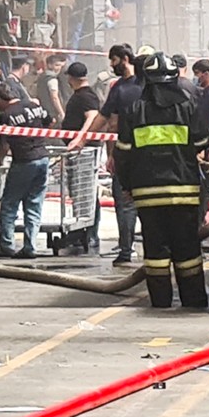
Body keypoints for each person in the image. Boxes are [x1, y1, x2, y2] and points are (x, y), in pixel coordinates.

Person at [114, 52, 209, 308]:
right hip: (184, 191)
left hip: (147, 194)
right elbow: (202, 142)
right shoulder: (188, 105)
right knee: (187, 251)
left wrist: (126, 186)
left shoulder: (135, 109)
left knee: (155, 252)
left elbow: (122, 154)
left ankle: (160, 301)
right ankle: (194, 301)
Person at [71, 43, 141, 265]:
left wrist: (84, 140)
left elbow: (107, 121)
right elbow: (107, 120)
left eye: (114, 60)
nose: (112, 65)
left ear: (125, 58)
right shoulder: (131, 86)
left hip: (128, 157)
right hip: (144, 156)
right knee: (137, 204)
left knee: (125, 203)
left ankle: (126, 250)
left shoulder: (123, 88)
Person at [0, 83, 52, 258]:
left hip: (23, 161)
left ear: (0, 99)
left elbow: (4, 143)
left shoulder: (7, 115)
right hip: (43, 158)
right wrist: (38, 138)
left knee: (10, 204)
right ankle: (30, 246)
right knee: (34, 204)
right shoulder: (33, 106)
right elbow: (50, 120)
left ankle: (7, 245)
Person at [60, 61, 103, 255]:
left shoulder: (86, 96)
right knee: (79, 191)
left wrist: (80, 139)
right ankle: (81, 230)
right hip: (80, 150)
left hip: (83, 152)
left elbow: (92, 116)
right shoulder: (82, 95)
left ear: (71, 78)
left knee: (85, 191)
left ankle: (89, 233)